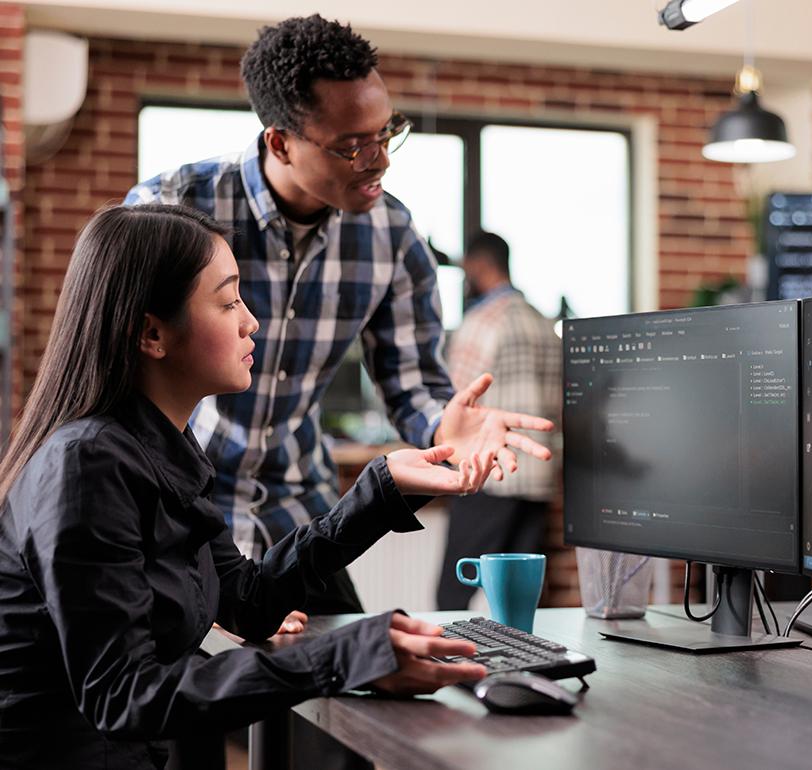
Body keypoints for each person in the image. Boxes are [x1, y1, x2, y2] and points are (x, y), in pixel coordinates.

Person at [0, 204, 493, 770]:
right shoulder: (86, 465)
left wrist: (383, 489)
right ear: (152, 333)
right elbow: (124, 694)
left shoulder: (162, 449)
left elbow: (249, 601)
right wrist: (342, 656)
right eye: (229, 300)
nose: (250, 322)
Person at [124, 15, 553, 615]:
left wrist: (442, 430)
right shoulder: (173, 209)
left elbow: (414, 386)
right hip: (176, 507)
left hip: (297, 509)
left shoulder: (393, 235)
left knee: (356, 681)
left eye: (387, 133)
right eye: (353, 145)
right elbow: (120, 386)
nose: (379, 161)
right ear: (280, 142)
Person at [437, 232, 562, 610]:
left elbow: (455, 399)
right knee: (520, 599)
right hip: (538, 477)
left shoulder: (482, 321)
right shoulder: (541, 322)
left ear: (479, 264)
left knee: (452, 594)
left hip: (490, 476)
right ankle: (522, 665)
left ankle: (449, 668)